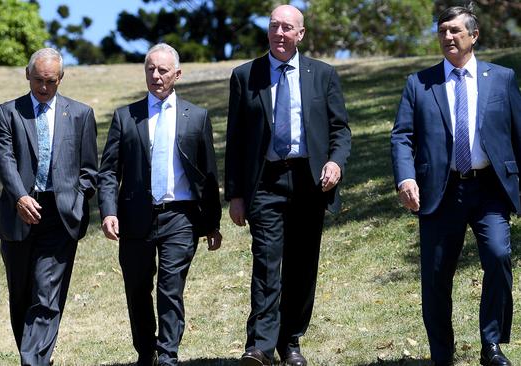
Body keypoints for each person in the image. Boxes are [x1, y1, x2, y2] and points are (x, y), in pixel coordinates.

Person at [391, 5, 520, 366]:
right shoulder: (419, 83)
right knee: (435, 277)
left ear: (473, 35)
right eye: (442, 30)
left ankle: (492, 345)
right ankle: (441, 355)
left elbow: (518, 133)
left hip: (490, 190)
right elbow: (402, 136)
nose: (447, 36)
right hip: (440, 192)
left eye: (455, 31)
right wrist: (405, 177)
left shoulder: (502, 78)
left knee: (498, 257)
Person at [225, 4, 351, 366]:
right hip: (265, 181)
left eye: (287, 28)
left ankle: (290, 341)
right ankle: (260, 346)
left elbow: (340, 129)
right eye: (274, 26)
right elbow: (235, 140)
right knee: (266, 262)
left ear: (301, 34)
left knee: (301, 265)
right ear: (268, 31)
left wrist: (335, 162)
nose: (280, 33)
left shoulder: (322, 74)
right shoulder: (245, 75)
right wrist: (235, 195)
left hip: (310, 182)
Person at [98, 43, 222, 366]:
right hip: (136, 216)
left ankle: (168, 355)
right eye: (150, 69)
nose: (156, 75)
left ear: (177, 74)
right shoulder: (126, 117)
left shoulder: (196, 117)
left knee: (170, 288)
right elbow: (109, 170)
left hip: (180, 217)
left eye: (163, 70)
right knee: (137, 289)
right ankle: (146, 351)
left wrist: (212, 223)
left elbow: (208, 174)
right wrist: (109, 211)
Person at [0, 48, 98, 366]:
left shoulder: (80, 114)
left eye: (51, 81)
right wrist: (20, 196)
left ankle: (32, 360)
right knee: (21, 295)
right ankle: (37, 355)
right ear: (27, 75)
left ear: (60, 79)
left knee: (46, 292)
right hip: (18, 211)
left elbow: (89, 170)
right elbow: (5, 159)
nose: (43, 87)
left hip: (60, 216)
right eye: (38, 79)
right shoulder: (7, 112)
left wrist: (77, 199)